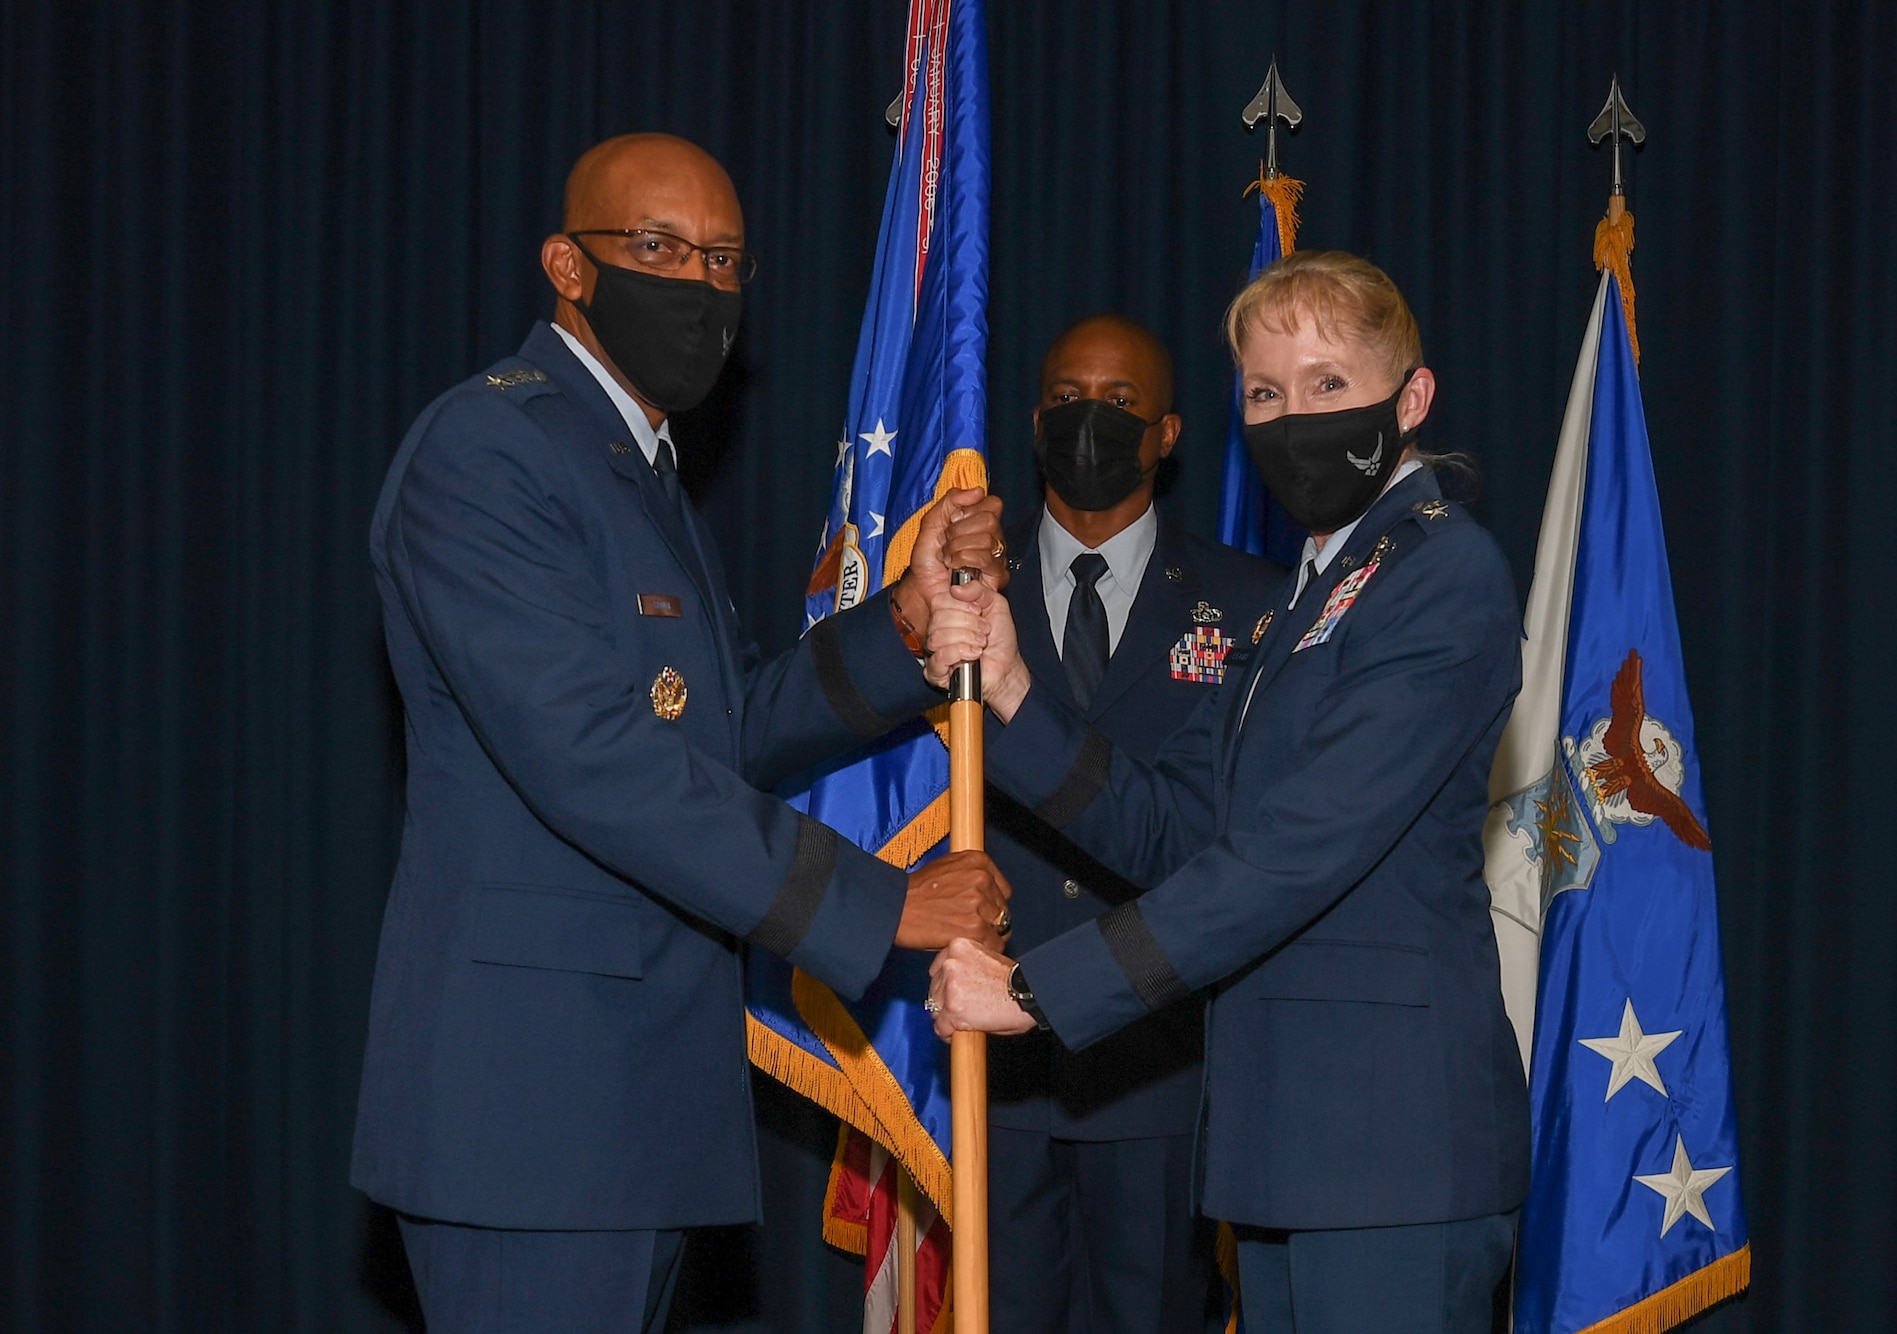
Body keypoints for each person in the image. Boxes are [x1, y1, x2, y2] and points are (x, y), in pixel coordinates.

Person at [350, 133, 1014, 1334]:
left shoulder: (632, 463)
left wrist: (900, 626)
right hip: (534, 1115)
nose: (697, 285)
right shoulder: (492, 449)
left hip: (632, 1106)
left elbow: (717, 730)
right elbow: (595, 761)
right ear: (567, 262)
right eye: (655, 247)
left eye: (723, 261)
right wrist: (882, 904)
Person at [924, 251, 1530, 1333]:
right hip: (1279, 1149)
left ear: (1412, 396)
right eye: (1263, 392)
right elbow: (1177, 824)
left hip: (1390, 1152)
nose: (1292, 417)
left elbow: (1299, 850)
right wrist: (1014, 691)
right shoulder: (1307, 592)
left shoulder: (1441, 574)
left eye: (1327, 384)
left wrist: (1036, 991)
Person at [983, 315, 1282, 1334]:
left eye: (1119, 404)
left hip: (1157, 1066)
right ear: (1032, 422)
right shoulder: (963, 587)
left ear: (1167, 433)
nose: (1088, 420)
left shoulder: (1249, 603)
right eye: (1068, 397)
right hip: (993, 1068)